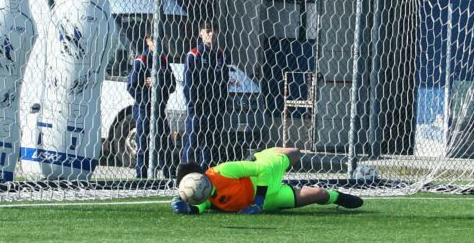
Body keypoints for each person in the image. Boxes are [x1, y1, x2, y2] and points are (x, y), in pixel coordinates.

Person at [171, 147, 363, 215]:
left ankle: (265, 152)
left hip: (267, 175)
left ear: (201, 177)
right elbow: (200, 207)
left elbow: (262, 170)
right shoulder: (203, 195)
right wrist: (189, 209)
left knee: (295, 152)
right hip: (273, 198)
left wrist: (258, 202)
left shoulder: (224, 171)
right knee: (318, 194)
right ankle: (337, 197)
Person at [180, 20, 229, 168]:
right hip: (198, 110)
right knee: (192, 144)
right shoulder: (193, 56)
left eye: (213, 30)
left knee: (210, 146)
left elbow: (224, 83)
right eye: (207, 30)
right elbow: (188, 86)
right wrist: (194, 108)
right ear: (200, 33)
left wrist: (221, 106)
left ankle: (205, 178)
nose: (211, 34)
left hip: (214, 110)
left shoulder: (220, 55)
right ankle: (184, 177)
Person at [127, 33, 175, 178]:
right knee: (144, 145)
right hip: (144, 110)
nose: (158, 43)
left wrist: (158, 83)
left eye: (161, 40)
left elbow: (172, 84)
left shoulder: (163, 61)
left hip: (159, 110)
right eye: (154, 40)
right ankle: (141, 178)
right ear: (148, 40)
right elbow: (131, 86)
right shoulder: (141, 61)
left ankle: (170, 177)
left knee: (166, 145)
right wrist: (145, 98)